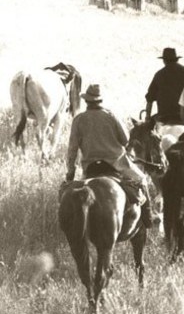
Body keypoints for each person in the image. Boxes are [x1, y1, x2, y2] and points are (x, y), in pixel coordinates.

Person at [65, 84, 155, 227]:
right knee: (142, 179)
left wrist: (70, 172)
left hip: (90, 167)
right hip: (116, 164)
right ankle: (148, 219)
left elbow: (72, 149)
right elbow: (125, 140)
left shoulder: (78, 120)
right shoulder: (111, 116)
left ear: (86, 101)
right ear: (100, 101)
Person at [145, 47, 184, 124]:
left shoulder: (159, 75)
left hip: (163, 117)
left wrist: (147, 117)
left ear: (164, 61)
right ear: (177, 59)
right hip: (183, 117)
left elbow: (149, 99)